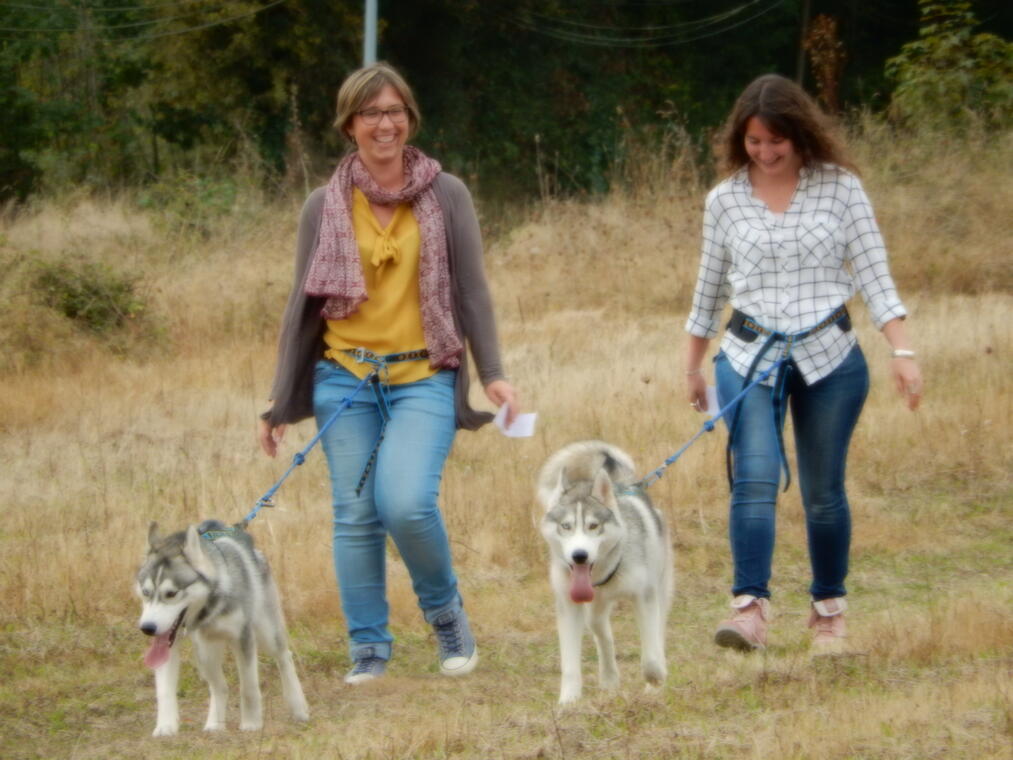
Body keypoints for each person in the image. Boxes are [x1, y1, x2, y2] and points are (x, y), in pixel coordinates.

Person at [258, 62, 518, 683]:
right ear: (350, 124)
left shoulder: (446, 193)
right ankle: (368, 647)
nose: (385, 123)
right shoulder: (323, 205)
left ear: (410, 119)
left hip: (424, 372)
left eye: (395, 110)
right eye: (371, 112)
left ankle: (445, 612)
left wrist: (494, 373)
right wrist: (277, 402)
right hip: (344, 377)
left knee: (404, 502)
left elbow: (472, 290)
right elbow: (302, 305)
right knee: (355, 514)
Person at [683, 74, 923, 655]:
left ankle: (828, 615)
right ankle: (749, 611)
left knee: (822, 491)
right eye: (754, 142)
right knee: (755, 477)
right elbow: (709, 289)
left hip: (830, 357)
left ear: (800, 135)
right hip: (747, 355)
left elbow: (875, 276)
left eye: (776, 142)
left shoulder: (841, 189)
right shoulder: (724, 200)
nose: (765, 153)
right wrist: (692, 364)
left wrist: (903, 350)